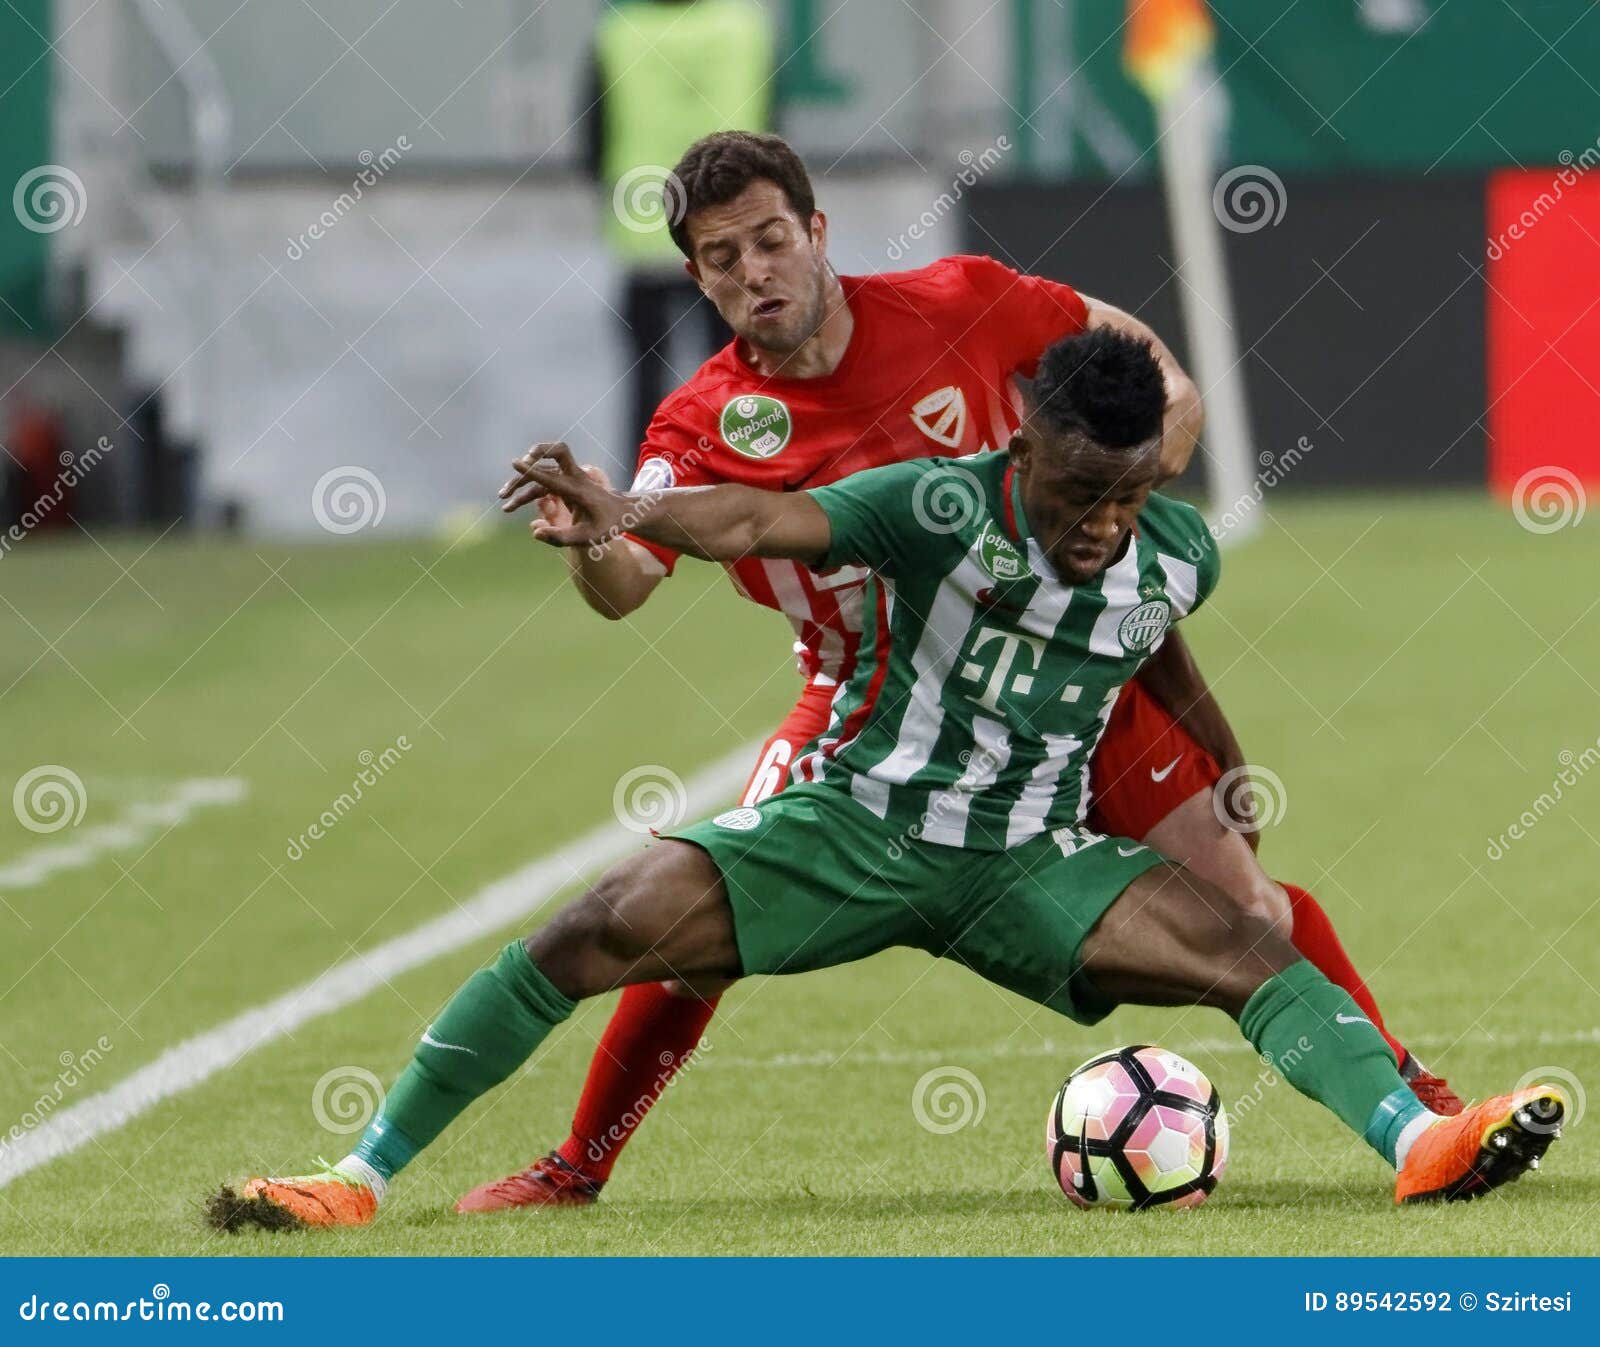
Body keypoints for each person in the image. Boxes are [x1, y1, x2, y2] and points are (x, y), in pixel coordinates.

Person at [210, 330, 1562, 1231]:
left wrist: (1226, 746)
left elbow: (1157, 635)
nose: (1103, 522)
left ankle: (1415, 1142)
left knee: (1254, 945)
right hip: (856, 825)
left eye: (1129, 495)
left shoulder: (1176, 548)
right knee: (595, 925)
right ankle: (359, 1177)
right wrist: (622, 510)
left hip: (1037, 861)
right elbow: (751, 516)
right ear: (1024, 449)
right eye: (1080, 490)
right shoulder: (939, 505)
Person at [464, 129, 1456, 1213]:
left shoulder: (960, 299)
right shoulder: (698, 423)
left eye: (770, 240)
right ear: (695, 273)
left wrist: (1137, 469)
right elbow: (627, 587)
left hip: (1060, 674)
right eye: (721, 255)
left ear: (815, 233)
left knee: (1244, 909)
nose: (754, 271)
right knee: (690, 934)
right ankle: (578, 1167)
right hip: (859, 709)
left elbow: (1133, 363)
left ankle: (1418, 1106)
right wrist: (592, 537)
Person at [580, 0, 773, 451]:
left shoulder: (619, 32)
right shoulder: (746, 25)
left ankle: (647, 488)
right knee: (739, 369)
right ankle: (742, 478)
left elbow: (591, 138)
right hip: (733, 238)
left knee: (646, 375)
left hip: (645, 231)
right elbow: (775, 132)